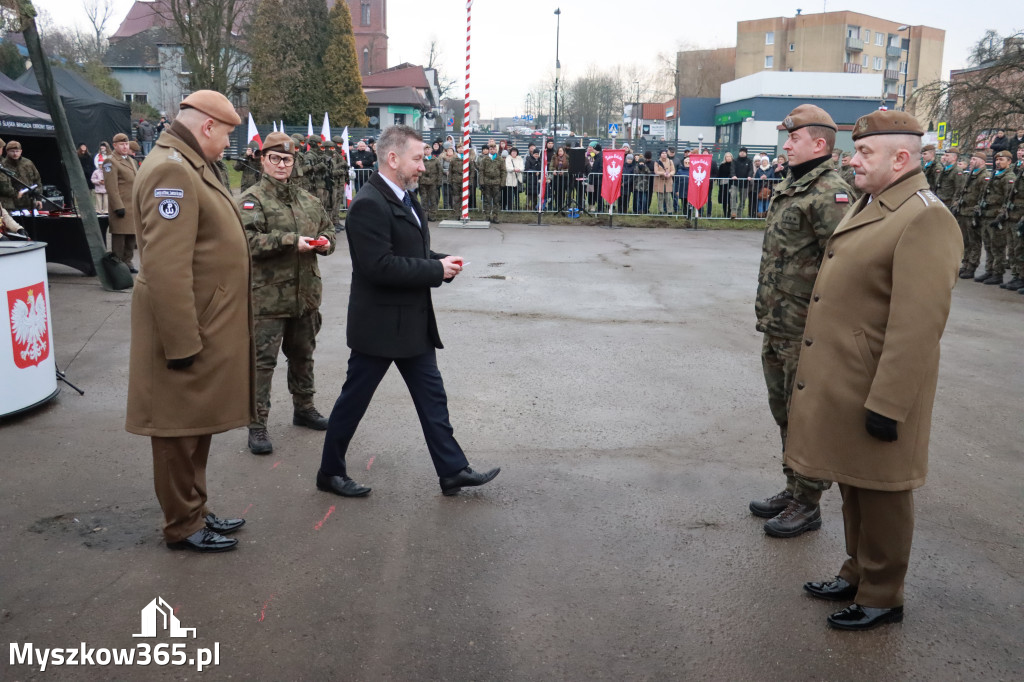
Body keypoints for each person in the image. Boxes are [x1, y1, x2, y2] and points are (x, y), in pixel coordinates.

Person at [788, 110, 962, 631]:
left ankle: (883, 593)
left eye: (864, 153)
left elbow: (917, 326)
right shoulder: (875, 203)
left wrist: (889, 404)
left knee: (883, 492)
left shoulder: (925, 217)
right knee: (853, 481)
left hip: (879, 384)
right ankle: (856, 570)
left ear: (901, 158)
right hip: (849, 378)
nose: (852, 159)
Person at [317, 125, 500, 498]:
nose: (423, 165)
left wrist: (440, 260)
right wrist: (435, 270)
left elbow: (407, 255)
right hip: (380, 329)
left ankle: (452, 471)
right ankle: (329, 472)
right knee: (353, 403)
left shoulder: (405, 198)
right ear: (393, 158)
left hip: (412, 325)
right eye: (417, 159)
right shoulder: (369, 203)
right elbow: (379, 266)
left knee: (433, 399)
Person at [125, 90, 254, 553]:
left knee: (194, 425)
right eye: (225, 135)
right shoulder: (172, 173)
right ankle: (182, 523)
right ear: (206, 127)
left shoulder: (187, 164)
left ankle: (193, 508)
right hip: (184, 330)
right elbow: (166, 269)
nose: (226, 145)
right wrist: (182, 343)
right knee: (177, 432)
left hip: (202, 322)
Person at [750, 104, 853, 538]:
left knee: (805, 415)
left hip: (806, 329)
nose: (786, 144)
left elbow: (844, 263)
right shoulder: (795, 185)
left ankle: (808, 502)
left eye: (793, 138)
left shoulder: (830, 191)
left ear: (819, 143)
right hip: (779, 322)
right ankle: (794, 487)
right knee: (784, 411)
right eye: (786, 138)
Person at [238, 131, 336, 455]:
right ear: (263, 159)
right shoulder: (252, 200)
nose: (282, 164)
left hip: (305, 294)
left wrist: (325, 244)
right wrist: (288, 241)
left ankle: (304, 408)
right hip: (268, 298)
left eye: (288, 159)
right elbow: (247, 242)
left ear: (295, 161)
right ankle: (257, 425)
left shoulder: (307, 199)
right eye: (275, 158)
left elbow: (328, 228)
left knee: (303, 355)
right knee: (262, 363)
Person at [975, 150, 1014, 285]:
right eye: (997, 160)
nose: (998, 162)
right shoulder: (995, 175)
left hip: (996, 217)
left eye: (1001, 160)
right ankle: (989, 270)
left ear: (1009, 162)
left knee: (998, 247)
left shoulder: (1008, 178)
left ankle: (998, 273)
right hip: (987, 215)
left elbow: (1008, 199)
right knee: (988, 245)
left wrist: (1001, 216)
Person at [103, 133, 139, 271]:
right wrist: (118, 206)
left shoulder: (131, 161)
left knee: (131, 237)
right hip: (121, 205)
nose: (125, 147)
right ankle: (117, 265)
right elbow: (111, 187)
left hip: (132, 206)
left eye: (127, 144)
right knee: (120, 237)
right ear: (115, 145)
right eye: (122, 144)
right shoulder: (110, 161)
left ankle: (128, 262)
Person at [952, 152, 990, 279]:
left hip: (972, 213)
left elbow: (983, 196)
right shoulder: (970, 174)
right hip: (963, 212)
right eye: (971, 159)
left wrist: (977, 212)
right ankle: (965, 264)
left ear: (982, 162)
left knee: (974, 242)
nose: (971, 161)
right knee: (965, 241)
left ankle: (972, 266)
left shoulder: (984, 176)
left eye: (974, 159)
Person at [2, 140, 43, 211]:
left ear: (21, 151)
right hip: (12, 204)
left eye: (17, 151)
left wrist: (38, 198)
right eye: (12, 151)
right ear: (7, 151)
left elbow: (37, 181)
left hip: (30, 202)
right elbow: (4, 187)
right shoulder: (3, 165)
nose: (15, 154)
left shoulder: (28, 163)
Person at [478, 142, 503, 222]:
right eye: (491, 149)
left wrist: (502, 183)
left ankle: (495, 216)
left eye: (494, 149)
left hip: (496, 182)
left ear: (496, 150)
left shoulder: (500, 159)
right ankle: (487, 216)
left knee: (496, 201)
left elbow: (503, 171)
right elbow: (481, 171)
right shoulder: (485, 159)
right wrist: (481, 182)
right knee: (487, 200)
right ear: (489, 150)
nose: (492, 150)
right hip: (487, 182)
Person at [419, 142, 441, 220]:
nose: (427, 151)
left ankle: (432, 215)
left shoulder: (435, 160)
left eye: (428, 149)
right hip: (423, 182)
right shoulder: (421, 160)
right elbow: (418, 170)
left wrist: (439, 182)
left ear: (431, 150)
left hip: (433, 182)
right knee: (424, 199)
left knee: (433, 199)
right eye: (425, 149)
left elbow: (439, 171)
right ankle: (424, 216)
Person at [731, 147, 754, 217]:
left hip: (745, 183)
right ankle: (733, 212)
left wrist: (749, 176)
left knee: (743, 199)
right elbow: (732, 169)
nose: (742, 153)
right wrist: (733, 175)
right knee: (733, 196)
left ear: (746, 153)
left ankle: (739, 213)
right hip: (735, 183)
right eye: (741, 151)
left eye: (744, 152)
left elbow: (751, 170)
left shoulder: (749, 161)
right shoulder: (734, 160)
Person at [653, 150, 675, 214]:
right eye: (662, 153)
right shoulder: (657, 162)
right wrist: (663, 173)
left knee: (668, 197)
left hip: (668, 181)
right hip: (659, 181)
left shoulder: (670, 162)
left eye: (665, 153)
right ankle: (661, 211)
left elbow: (673, 170)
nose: (664, 154)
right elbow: (656, 171)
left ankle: (670, 211)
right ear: (660, 154)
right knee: (660, 197)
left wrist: (670, 174)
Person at [718, 152, 734, 217]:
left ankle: (729, 213)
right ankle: (725, 213)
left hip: (731, 184)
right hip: (723, 184)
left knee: (730, 199)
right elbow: (719, 174)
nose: (728, 157)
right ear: (725, 157)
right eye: (727, 156)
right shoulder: (722, 165)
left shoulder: (734, 165)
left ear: (731, 157)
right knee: (724, 199)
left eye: (729, 156)